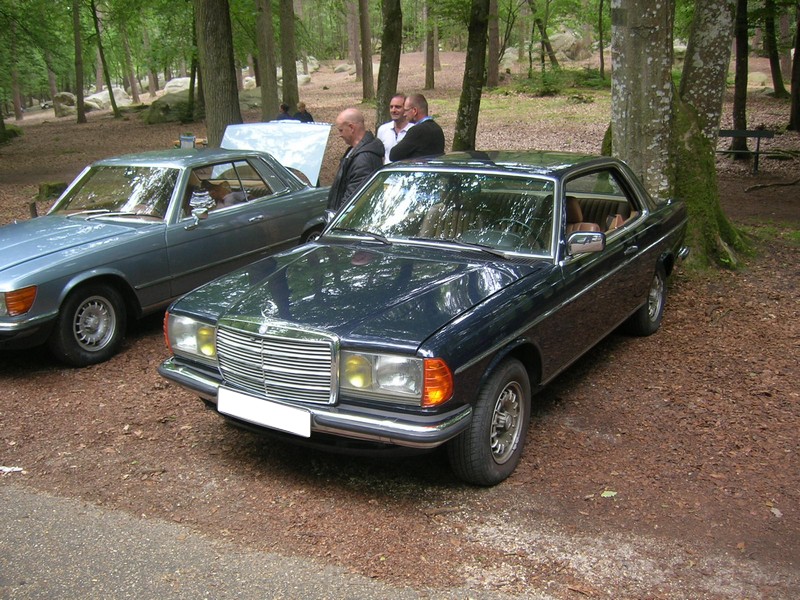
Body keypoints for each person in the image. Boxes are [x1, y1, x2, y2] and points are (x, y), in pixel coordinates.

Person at [326, 108, 384, 211]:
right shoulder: (354, 151)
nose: (340, 135)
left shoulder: (363, 159)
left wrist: (338, 220)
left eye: (341, 130)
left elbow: (353, 201)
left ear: (351, 128)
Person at [388, 93, 445, 162]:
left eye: (406, 110)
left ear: (414, 111)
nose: (404, 114)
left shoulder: (417, 131)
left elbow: (394, 155)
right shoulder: (437, 129)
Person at [376, 94, 414, 164]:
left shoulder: (414, 130)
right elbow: (380, 156)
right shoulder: (383, 130)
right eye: (391, 107)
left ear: (405, 109)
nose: (393, 110)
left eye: (398, 107)